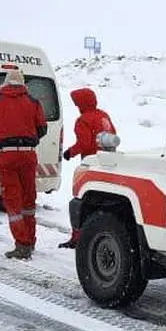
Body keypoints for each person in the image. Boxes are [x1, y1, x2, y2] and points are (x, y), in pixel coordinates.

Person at [0, 67, 48, 259]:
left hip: (6, 155)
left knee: (13, 202)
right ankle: (30, 240)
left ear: (6, 82)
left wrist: (0, 137)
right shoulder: (33, 102)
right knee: (28, 201)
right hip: (28, 155)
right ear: (23, 82)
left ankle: (22, 244)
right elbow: (42, 128)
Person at [58, 87, 119, 249]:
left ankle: (77, 237)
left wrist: (69, 153)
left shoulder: (83, 120)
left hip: (91, 163)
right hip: (108, 162)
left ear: (80, 103)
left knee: (82, 198)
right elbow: (113, 134)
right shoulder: (103, 115)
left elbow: (84, 143)